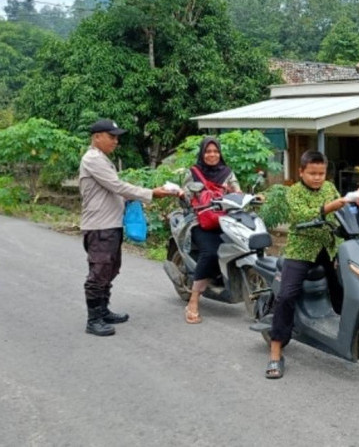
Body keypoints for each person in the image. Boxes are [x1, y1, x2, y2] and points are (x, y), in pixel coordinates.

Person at [265, 150, 359, 379]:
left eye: (321, 173)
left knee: (343, 287)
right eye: (312, 173)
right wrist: (333, 206)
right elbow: (301, 216)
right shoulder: (294, 192)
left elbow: (343, 211)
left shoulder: (329, 188)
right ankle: (276, 351)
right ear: (301, 172)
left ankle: (343, 332)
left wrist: (356, 207)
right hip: (300, 251)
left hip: (326, 248)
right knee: (287, 296)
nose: (317, 177)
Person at [80, 119, 179, 337]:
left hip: (110, 224)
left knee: (110, 269)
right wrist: (151, 193)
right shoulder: (93, 159)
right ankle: (93, 319)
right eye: (111, 136)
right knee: (99, 272)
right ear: (97, 137)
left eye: (116, 137)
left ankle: (103, 311)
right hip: (99, 226)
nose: (116, 141)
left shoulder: (103, 159)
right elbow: (117, 186)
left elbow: (112, 191)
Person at [182, 136, 241, 324]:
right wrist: (186, 195)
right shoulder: (193, 173)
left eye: (215, 151)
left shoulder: (227, 173)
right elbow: (185, 198)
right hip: (200, 221)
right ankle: (193, 300)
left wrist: (243, 195)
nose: (212, 155)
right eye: (208, 151)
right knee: (211, 252)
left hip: (225, 220)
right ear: (202, 153)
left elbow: (237, 192)